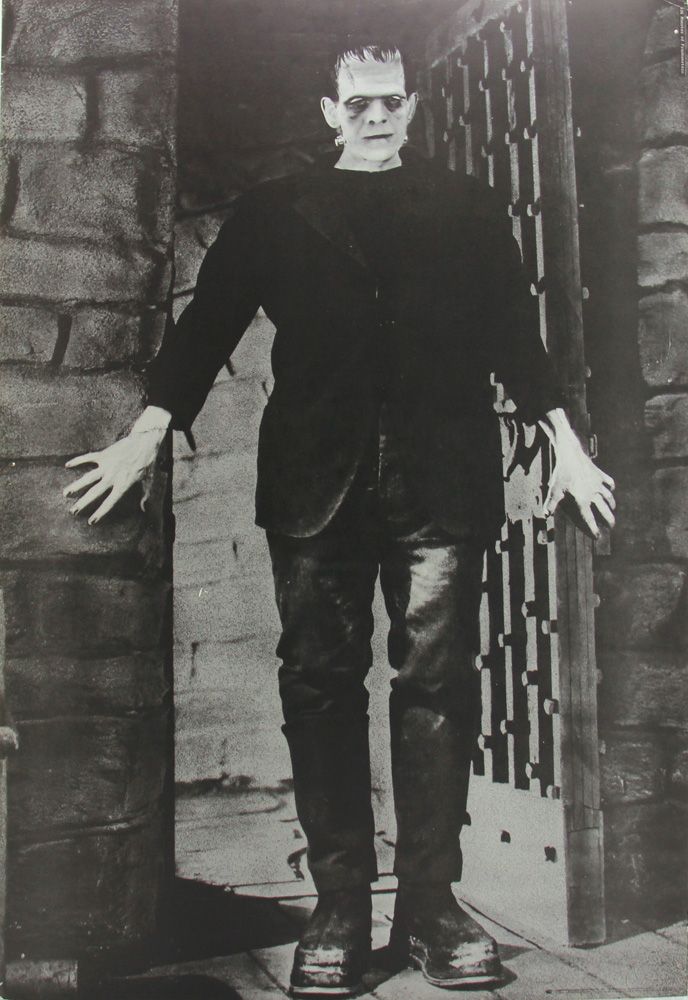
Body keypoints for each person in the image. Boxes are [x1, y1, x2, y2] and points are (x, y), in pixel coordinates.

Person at [63, 42, 616, 997]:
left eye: (392, 101)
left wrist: (563, 439)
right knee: (319, 682)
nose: (376, 117)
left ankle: (433, 907)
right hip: (317, 485)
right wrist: (146, 434)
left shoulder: (468, 209)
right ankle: (340, 907)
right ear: (330, 110)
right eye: (358, 104)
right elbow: (205, 331)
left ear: (413, 105)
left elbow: (514, 339)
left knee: (436, 683)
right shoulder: (276, 212)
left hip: (441, 483)